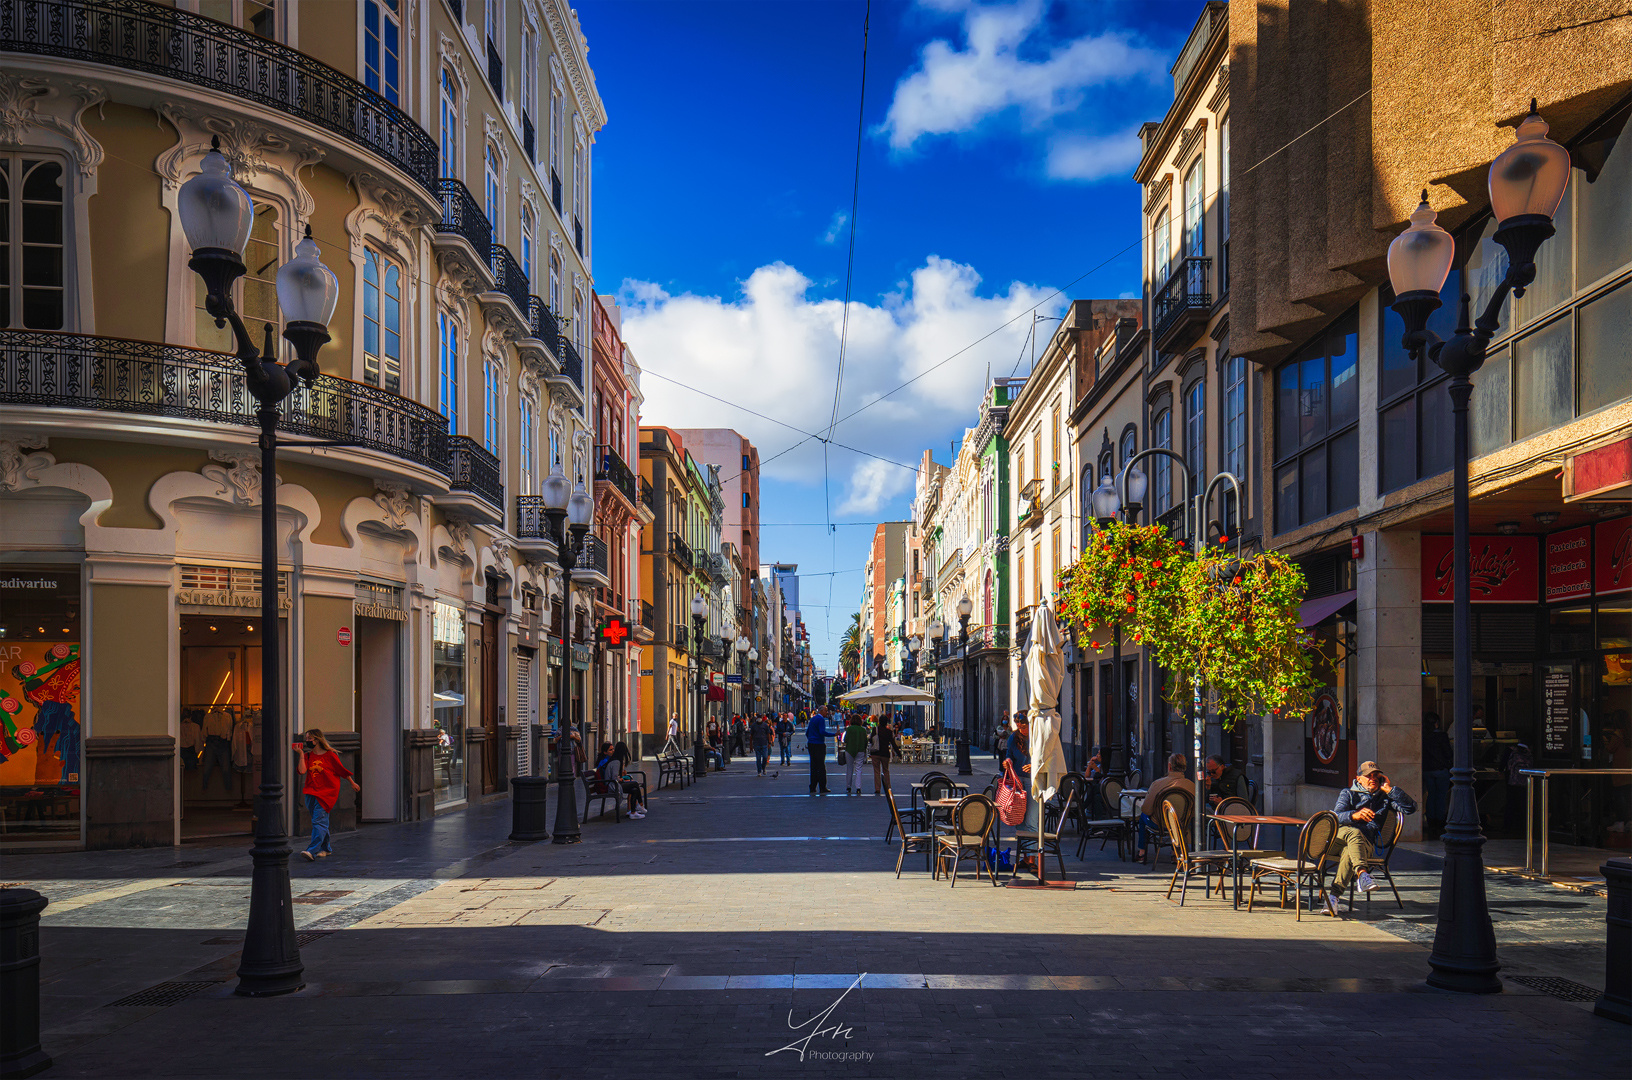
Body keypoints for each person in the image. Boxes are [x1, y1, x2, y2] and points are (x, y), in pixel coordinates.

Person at [1323, 762, 1416, 916]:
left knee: (1349, 852)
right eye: (1368, 776)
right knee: (1353, 832)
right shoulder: (1348, 793)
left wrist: (1390, 789)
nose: (1372, 779)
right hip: (1338, 840)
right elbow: (1336, 817)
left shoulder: (1385, 798)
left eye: (1376, 776)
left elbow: (1410, 808)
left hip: (1365, 843)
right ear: (1359, 779)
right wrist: (1354, 815)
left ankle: (1332, 898)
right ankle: (1362, 874)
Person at [293, 729, 359, 861]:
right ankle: (326, 848)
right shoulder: (308, 756)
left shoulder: (330, 755)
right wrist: (300, 754)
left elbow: (341, 770)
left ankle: (312, 850)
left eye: (309, 739)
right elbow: (302, 771)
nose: (307, 741)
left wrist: (352, 783)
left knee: (318, 821)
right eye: (306, 738)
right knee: (320, 821)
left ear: (317, 740)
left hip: (327, 793)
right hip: (311, 792)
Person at [1135, 753, 1193, 862]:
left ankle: (1142, 853)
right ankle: (1174, 853)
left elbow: (1146, 809)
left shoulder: (1158, 783)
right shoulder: (1191, 785)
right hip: (1182, 825)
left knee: (1143, 816)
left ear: (1169, 766)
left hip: (1159, 824)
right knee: (1177, 821)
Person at [597, 741, 646, 818]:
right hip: (612, 785)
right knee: (635, 783)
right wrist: (622, 779)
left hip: (612, 783)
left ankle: (633, 812)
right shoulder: (616, 762)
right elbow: (614, 778)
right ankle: (640, 805)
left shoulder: (614, 760)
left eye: (613, 749)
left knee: (634, 789)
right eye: (611, 749)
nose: (613, 751)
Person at [1422, 712, 1453, 834]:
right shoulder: (1442, 736)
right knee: (1441, 796)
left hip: (1427, 770)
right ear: (1436, 723)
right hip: (1441, 770)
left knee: (1431, 795)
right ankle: (1440, 820)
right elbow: (1448, 753)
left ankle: (1430, 820)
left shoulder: (1423, 735)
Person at [1500, 741, 1533, 832]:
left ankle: (1507, 827)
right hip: (1526, 783)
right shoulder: (1529, 752)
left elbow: (1501, 766)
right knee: (1524, 804)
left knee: (1510, 803)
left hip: (1512, 782)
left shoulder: (1511, 750)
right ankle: (1524, 827)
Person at [867, 711, 898, 796]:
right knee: (886, 771)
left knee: (876, 771)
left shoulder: (875, 729)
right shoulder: (889, 732)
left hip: (875, 753)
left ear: (879, 722)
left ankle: (877, 789)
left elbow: (870, 740)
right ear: (886, 722)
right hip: (885, 753)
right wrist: (899, 753)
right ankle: (888, 787)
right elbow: (893, 743)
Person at [842, 713, 870, 795]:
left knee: (849, 768)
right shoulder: (863, 730)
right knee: (859, 769)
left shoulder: (849, 729)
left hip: (850, 750)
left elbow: (845, 740)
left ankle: (848, 787)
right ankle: (858, 787)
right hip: (860, 750)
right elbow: (866, 741)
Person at [806, 709, 832, 794]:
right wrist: (833, 734)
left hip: (811, 744)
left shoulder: (813, 718)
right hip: (819, 744)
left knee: (813, 766)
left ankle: (812, 787)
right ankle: (822, 787)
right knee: (821, 766)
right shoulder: (821, 719)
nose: (827, 712)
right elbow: (822, 732)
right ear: (821, 711)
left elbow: (807, 732)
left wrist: (811, 739)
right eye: (826, 711)